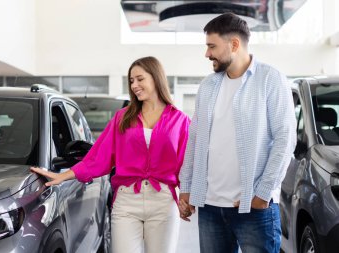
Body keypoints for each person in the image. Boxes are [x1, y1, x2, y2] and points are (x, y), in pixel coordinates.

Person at [31, 56, 190, 253]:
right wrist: (63, 175)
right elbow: (99, 156)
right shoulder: (122, 118)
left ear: (156, 78)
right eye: (131, 81)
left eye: (140, 79)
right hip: (127, 202)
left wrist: (187, 195)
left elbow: (187, 163)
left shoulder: (180, 120)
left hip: (163, 202)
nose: (134, 85)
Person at [178, 13, 296, 253]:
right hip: (210, 207)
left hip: (254, 208)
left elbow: (285, 139)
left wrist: (262, 194)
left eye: (212, 46)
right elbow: (196, 139)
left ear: (234, 44)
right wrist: (187, 186)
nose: (207, 53)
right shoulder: (208, 86)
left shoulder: (270, 79)